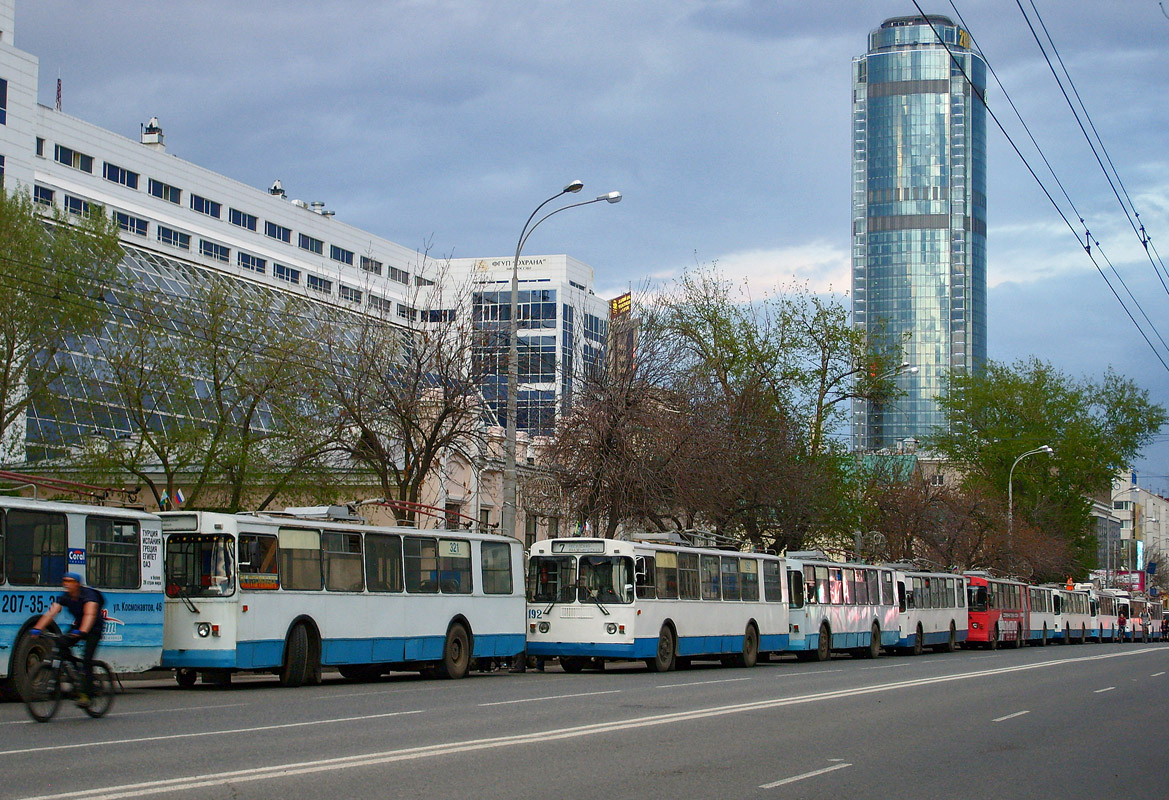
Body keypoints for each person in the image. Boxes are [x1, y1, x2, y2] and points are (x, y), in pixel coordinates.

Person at [30, 572, 103, 705]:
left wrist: (82, 632)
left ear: (77, 584)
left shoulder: (89, 595)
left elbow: (90, 614)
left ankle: (87, 693)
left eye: (70, 581)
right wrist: (37, 628)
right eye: (65, 581)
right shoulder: (65, 597)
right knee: (61, 644)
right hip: (79, 626)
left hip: (94, 628)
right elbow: (51, 613)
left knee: (87, 659)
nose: (66, 584)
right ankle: (76, 675)